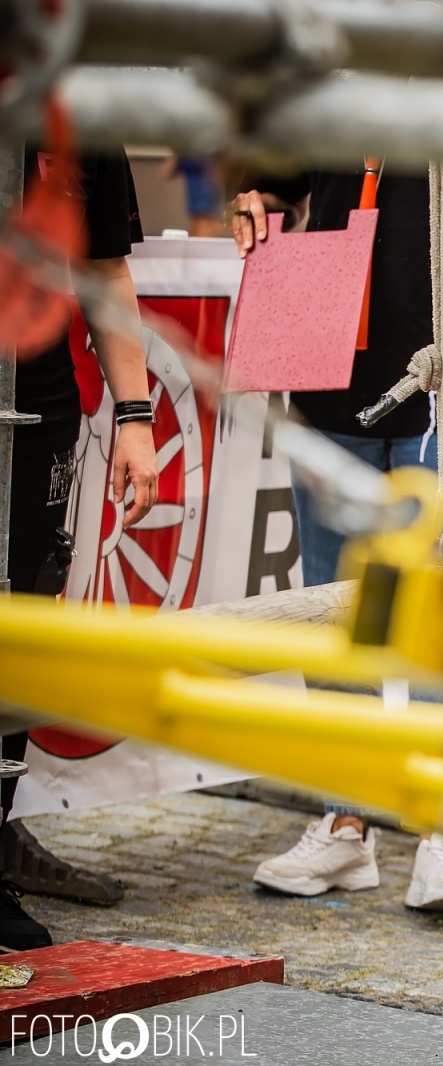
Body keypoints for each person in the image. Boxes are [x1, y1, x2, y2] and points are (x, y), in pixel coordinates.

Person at [229, 159, 443, 911]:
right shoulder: (325, 82)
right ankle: (347, 819)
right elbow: (273, 185)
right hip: (325, 360)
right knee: (334, 604)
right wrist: (253, 202)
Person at [2, 144, 159, 949]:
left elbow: (103, 268)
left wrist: (136, 418)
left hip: (39, 408)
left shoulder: (80, 105)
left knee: (20, 632)